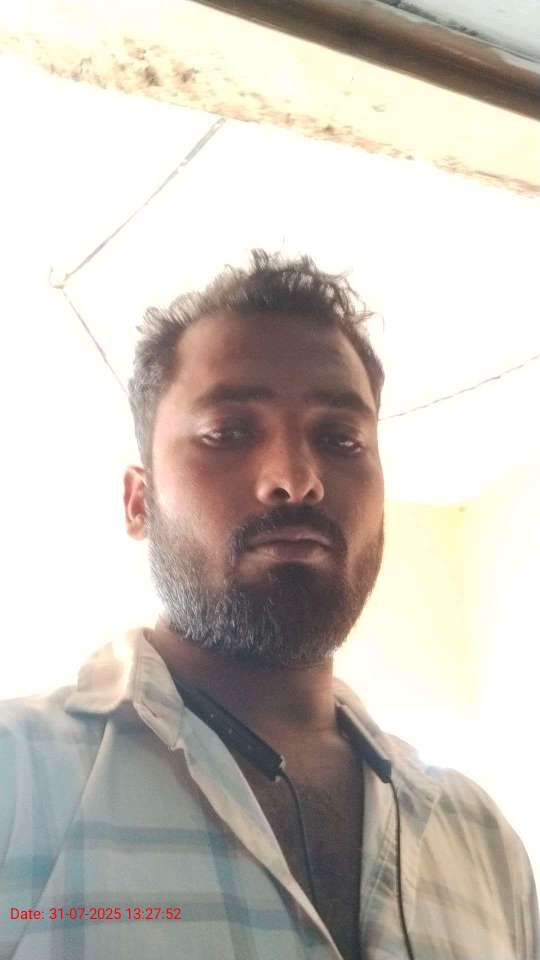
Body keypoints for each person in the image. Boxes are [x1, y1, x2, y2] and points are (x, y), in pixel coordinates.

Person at [0, 251, 538, 960]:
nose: (296, 478)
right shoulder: (16, 775)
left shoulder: (484, 841)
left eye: (341, 439)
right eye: (228, 433)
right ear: (139, 502)